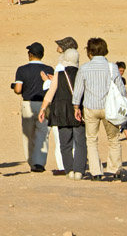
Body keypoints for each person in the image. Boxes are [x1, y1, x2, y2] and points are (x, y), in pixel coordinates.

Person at [72, 37, 127, 180]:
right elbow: (122, 90)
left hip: (91, 107)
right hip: (110, 108)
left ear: (90, 52)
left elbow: (78, 91)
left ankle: (96, 172)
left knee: (91, 140)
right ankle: (115, 170)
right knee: (114, 139)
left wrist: (76, 107)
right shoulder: (112, 67)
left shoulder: (84, 68)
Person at [38, 46, 85, 180]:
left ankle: (69, 170)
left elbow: (50, 93)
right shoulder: (82, 73)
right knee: (80, 142)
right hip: (79, 111)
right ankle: (79, 170)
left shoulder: (59, 74)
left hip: (62, 112)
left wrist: (42, 109)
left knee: (65, 143)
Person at [13, 42, 53, 172]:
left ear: (30, 55)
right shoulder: (49, 69)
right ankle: (40, 163)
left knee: (28, 135)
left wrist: (15, 87)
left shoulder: (22, 69)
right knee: (43, 134)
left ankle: (31, 162)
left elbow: (18, 89)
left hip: (28, 104)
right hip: (45, 105)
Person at [115, 62, 127, 145]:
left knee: (125, 120)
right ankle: (115, 138)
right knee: (114, 121)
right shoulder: (111, 79)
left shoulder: (123, 80)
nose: (121, 73)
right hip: (114, 103)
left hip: (122, 103)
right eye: (120, 70)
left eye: (123, 71)